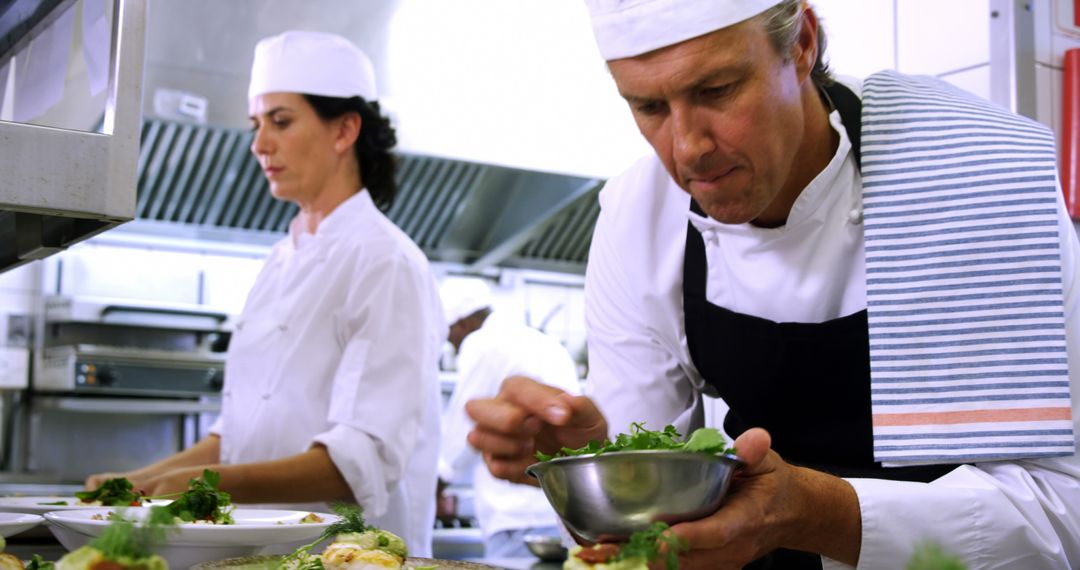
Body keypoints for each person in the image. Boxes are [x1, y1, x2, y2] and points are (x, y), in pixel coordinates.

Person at [464, 1, 1080, 569]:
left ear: (802, 44)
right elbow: (645, 538)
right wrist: (595, 465)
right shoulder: (639, 218)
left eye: (717, 89)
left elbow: (1065, 515)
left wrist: (817, 513)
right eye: (648, 107)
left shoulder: (971, 176)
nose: (687, 149)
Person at [85, 31, 445, 556]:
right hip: (259, 554)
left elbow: (358, 462)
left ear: (345, 129)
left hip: (348, 555)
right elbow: (236, 434)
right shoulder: (281, 260)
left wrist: (204, 483)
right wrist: (134, 483)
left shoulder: (385, 261)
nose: (259, 144)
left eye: (280, 121)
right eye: (256, 126)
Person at [437, 277, 581, 558]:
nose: (452, 344)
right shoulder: (539, 340)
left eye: (450, 335)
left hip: (516, 516)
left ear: (462, 323)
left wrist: (435, 486)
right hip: (566, 514)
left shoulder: (482, 343)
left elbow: (464, 428)